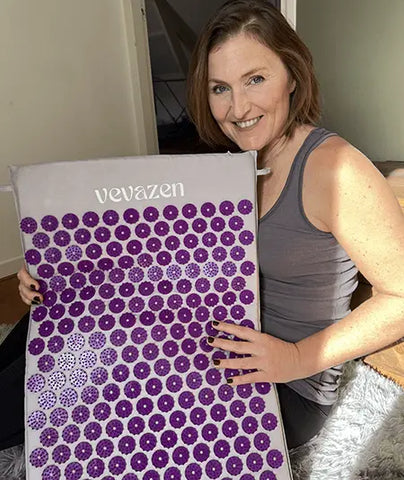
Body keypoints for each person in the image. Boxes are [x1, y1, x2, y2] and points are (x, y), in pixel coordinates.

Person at [15, 0, 404, 451]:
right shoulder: (230, 167)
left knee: (93, 387)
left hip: (284, 388)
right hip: (209, 347)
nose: (238, 107)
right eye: (220, 88)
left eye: (255, 79)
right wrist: (58, 277)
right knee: (55, 331)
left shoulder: (336, 169)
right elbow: (158, 260)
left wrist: (296, 358)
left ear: (292, 76)